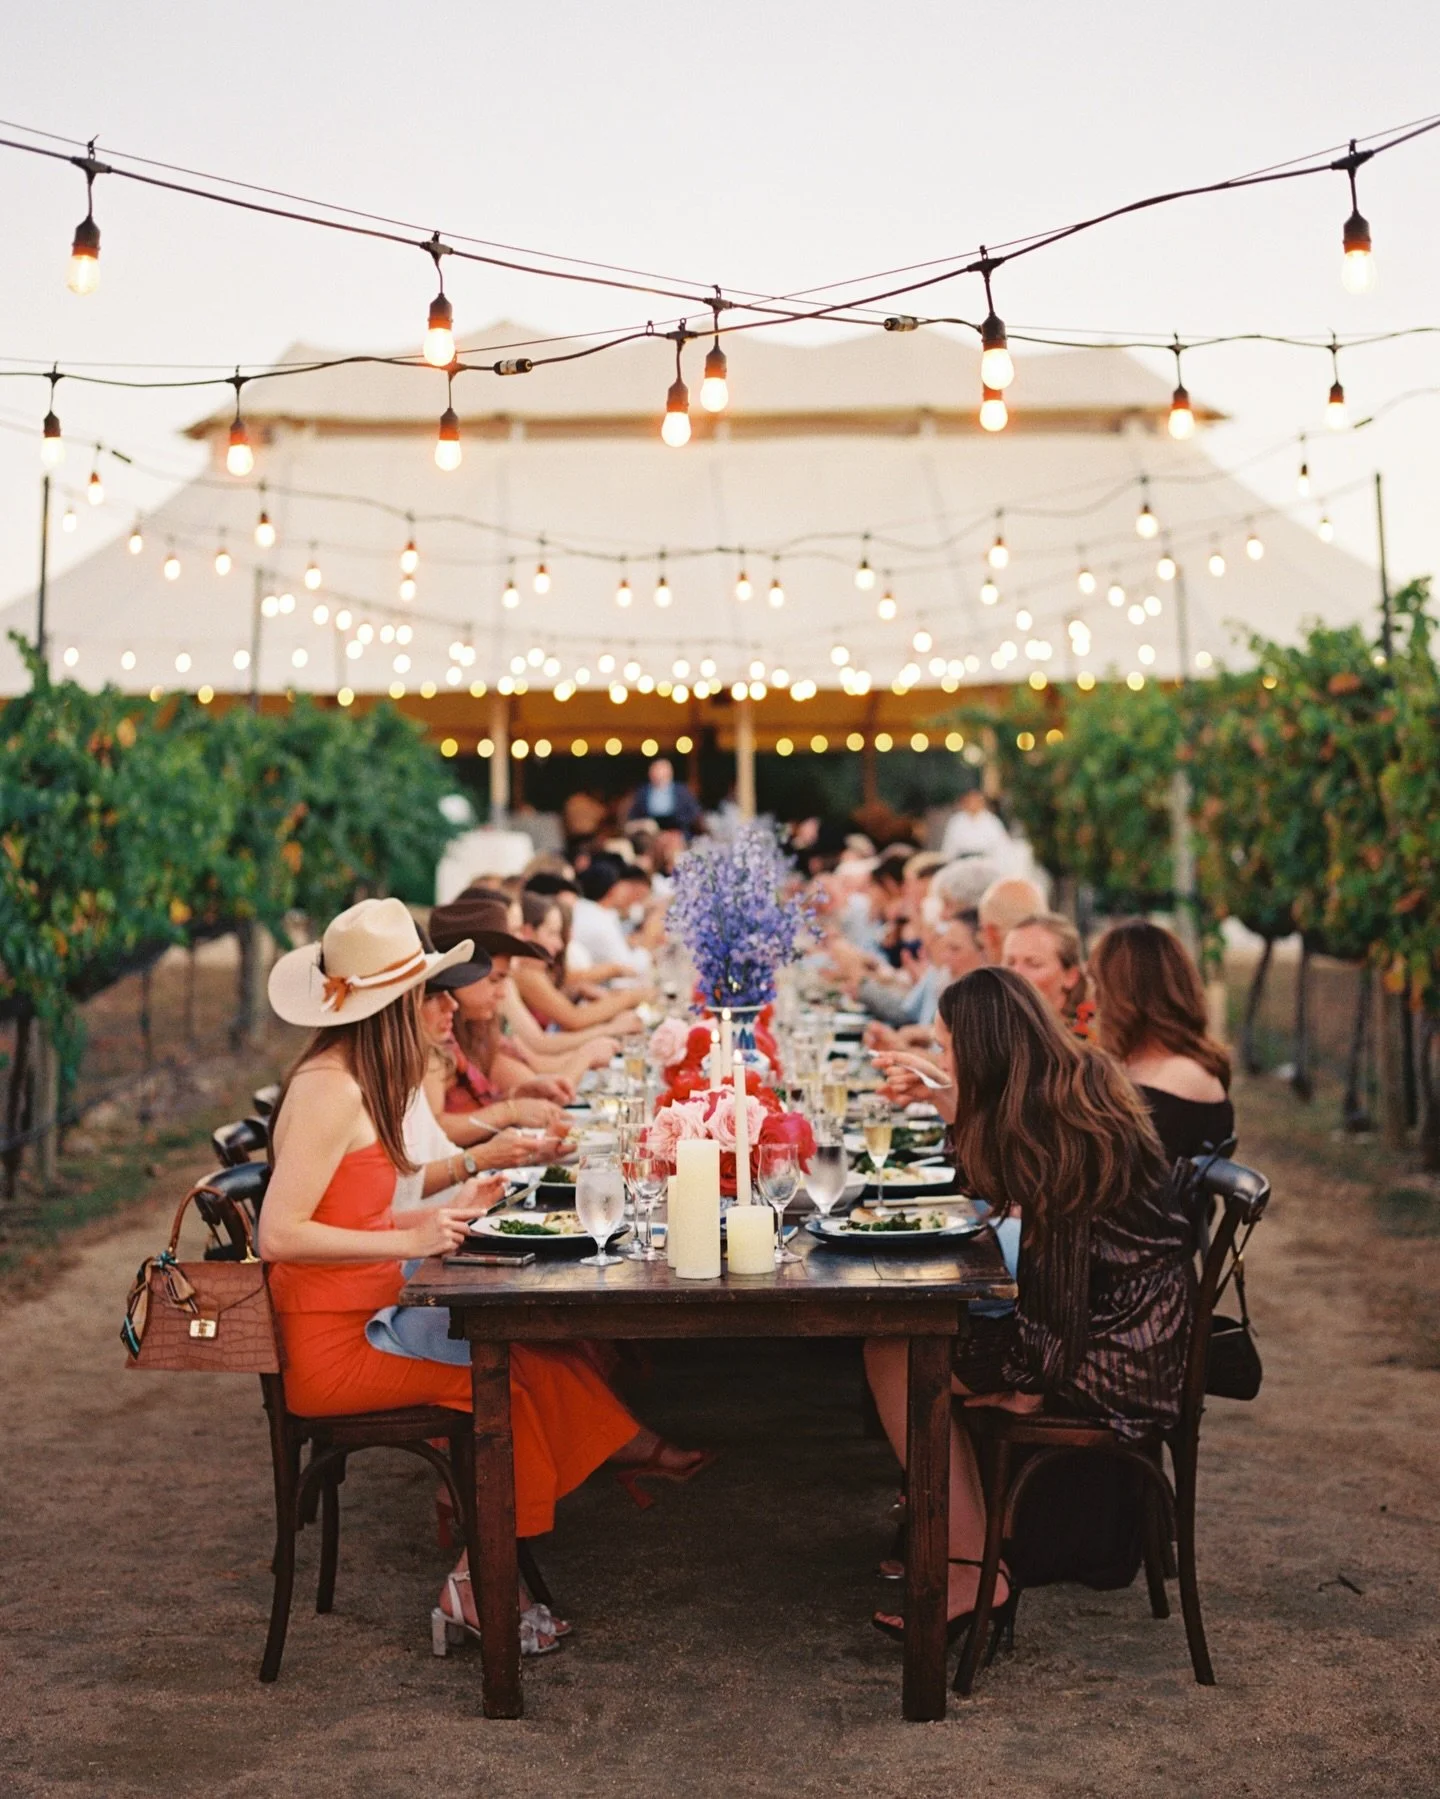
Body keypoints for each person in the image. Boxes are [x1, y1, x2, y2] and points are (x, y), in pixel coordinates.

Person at [258, 898, 709, 1657]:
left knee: (534, 1360)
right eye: (420, 991)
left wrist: (464, 1183)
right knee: (507, 1380)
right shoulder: (327, 1088)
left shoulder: (361, 1075)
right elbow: (278, 1232)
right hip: (335, 1343)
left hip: (379, 1305)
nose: (432, 1003)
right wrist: (413, 1233)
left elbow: (389, 1180)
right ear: (392, 1002)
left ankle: (490, 1565)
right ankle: (483, 1579)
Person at [865, 967, 1194, 1643]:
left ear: (983, 1047)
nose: (945, 1056)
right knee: (902, 1346)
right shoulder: (1069, 1086)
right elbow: (1004, 1203)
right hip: (1118, 1327)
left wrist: (1022, 1382)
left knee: (901, 1354)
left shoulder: (1061, 1131)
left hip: (1119, 1352)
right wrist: (953, 1105)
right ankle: (972, 1557)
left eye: (949, 1045)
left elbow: (1056, 1299)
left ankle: (973, 1574)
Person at [1090, 919, 1235, 1161]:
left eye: (1098, 985)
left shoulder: (1176, 1079)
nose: (1093, 1000)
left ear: (1124, 997)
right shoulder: (1176, 1065)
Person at [512, 890, 647, 1034]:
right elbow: (574, 1019)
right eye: (552, 933)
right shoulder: (526, 973)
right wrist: (629, 998)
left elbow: (573, 978)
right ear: (527, 933)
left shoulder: (539, 970)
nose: (560, 944)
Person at [569, 856, 664, 977]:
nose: (635, 900)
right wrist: (649, 936)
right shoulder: (598, 922)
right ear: (614, 889)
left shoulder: (592, 911)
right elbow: (630, 970)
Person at [1002, 911, 1087, 1029]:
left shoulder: (1092, 1039)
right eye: (1010, 963)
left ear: (1070, 976)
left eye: (1034, 964)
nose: (1016, 973)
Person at [976, 876, 1045, 963]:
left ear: (992, 935)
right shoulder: (1062, 966)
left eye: (981, 929)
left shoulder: (986, 975)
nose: (979, 937)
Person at [627, 757, 702, 836]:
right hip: (651, 835)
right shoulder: (643, 793)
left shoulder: (682, 791)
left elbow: (695, 814)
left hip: (678, 833)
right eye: (655, 772)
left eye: (661, 772)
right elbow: (632, 818)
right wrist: (644, 824)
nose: (658, 775)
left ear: (669, 773)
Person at [940, 788, 1014, 864]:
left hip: (986, 862)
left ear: (982, 803)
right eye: (970, 801)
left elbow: (1002, 846)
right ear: (964, 802)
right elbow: (949, 847)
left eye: (976, 800)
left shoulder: (992, 821)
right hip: (962, 862)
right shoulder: (956, 821)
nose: (973, 803)